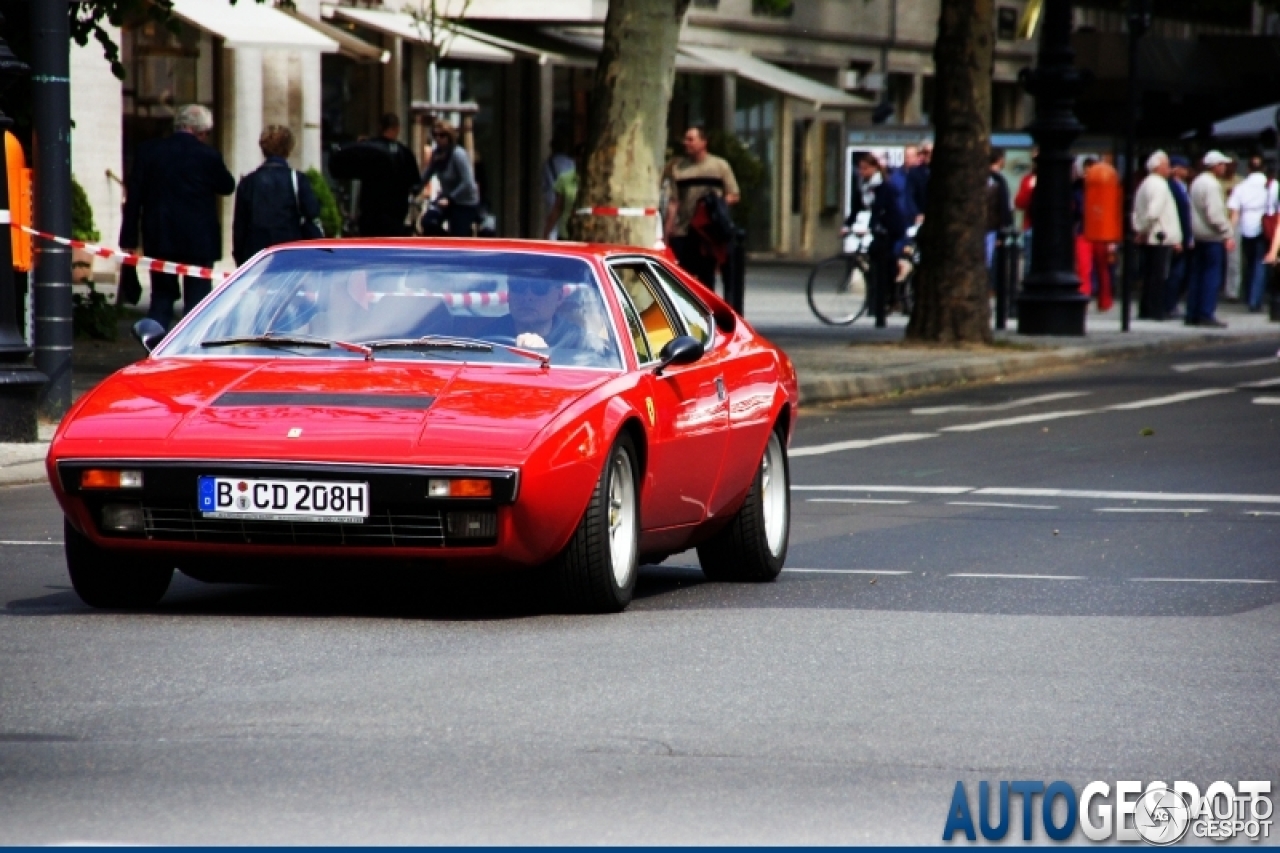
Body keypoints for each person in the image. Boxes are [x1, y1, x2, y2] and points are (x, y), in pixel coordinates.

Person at [119, 104, 235, 329]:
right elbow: (227, 185)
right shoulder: (208, 156)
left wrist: (128, 240)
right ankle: (190, 349)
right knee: (198, 302)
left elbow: (134, 199)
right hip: (199, 241)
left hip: (160, 236)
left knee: (161, 297)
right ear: (201, 131)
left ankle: (154, 342)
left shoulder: (149, 151)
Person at [232, 126, 322, 266]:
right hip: (289, 250)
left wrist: (240, 258)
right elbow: (312, 211)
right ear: (289, 149)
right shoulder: (297, 179)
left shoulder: (248, 182)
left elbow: (240, 226)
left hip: (257, 255)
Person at [664, 125, 740, 289]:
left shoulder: (719, 166)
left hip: (707, 235)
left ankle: (705, 313)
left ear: (703, 142)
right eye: (685, 139)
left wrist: (715, 207)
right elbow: (674, 202)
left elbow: (733, 195)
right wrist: (668, 232)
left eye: (691, 139)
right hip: (684, 233)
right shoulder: (678, 169)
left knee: (706, 282)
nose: (686, 143)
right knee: (682, 282)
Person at [328, 112, 420, 237]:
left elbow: (340, 162)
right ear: (397, 128)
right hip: (396, 215)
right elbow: (415, 184)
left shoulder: (367, 148)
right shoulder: (404, 153)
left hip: (370, 213)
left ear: (380, 127)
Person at [844, 153, 906, 312]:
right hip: (879, 227)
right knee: (874, 258)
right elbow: (857, 207)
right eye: (860, 168)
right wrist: (847, 225)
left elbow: (880, 210)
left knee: (885, 259)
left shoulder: (884, 186)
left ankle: (891, 298)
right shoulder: (863, 186)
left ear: (874, 168)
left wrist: (870, 227)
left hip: (891, 226)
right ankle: (877, 300)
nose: (861, 172)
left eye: (865, 168)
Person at [1131, 150, 1181, 320]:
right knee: (1158, 276)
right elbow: (1153, 212)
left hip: (1151, 235)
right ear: (1157, 167)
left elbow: (1138, 210)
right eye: (1166, 165)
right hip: (1160, 235)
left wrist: (1140, 229)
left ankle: (1146, 308)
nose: (1169, 169)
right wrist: (1144, 229)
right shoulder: (1159, 185)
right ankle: (1155, 310)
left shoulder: (1145, 183)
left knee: (1150, 274)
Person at [1187, 150, 1235, 327]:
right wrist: (1227, 232)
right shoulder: (1212, 185)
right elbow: (1214, 214)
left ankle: (1193, 312)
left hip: (1197, 234)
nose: (1224, 167)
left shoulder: (1196, 182)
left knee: (1196, 275)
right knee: (1211, 276)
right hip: (1211, 236)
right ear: (1215, 166)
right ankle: (1206, 312)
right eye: (1222, 164)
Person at [421, 120, 482, 238]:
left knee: (457, 234)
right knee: (428, 222)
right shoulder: (437, 154)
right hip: (446, 199)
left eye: (442, 135)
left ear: (449, 137)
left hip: (464, 202)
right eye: (435, 135)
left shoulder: (458, 154)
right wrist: (415, 187)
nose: (438, 139)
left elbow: (468, 182)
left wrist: (450, 198)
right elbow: (427, 173)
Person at [1227, 156, 1271, 311]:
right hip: (1264, 227)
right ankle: (1255, 300)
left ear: (1248, 169)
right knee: (1261, 263)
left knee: (1249, 262)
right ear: (1264, 169)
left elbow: (1234, 213)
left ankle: (1249, 296)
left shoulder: (1241, 187)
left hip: (1245, 227)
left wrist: (1229, 235)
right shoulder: (1270, 186)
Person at [1165, 155, 1194, 318]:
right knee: (1176, 273)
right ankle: (1169, 304)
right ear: (1176, 169)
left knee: (1182, 273)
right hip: (1178, 236)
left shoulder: (1182, 186)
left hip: (1185, 236)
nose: (1186, 171)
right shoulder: (1172, 187)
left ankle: (1172, 303)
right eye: (1183, 168)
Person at [985, 147, 1013, 274]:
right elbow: (1003, 206)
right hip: (991, 227)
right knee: (988, 261)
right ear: (1000, 160)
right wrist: (1005, 228)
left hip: (988, 227)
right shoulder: (998, 181)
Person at [544, 146, 581, 240]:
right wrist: (546, 232)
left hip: (583, 232)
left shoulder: (592, 182)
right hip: (565, 233)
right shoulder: (565, 179)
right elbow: (557, 208)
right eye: (578, 157)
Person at [906, 140, 931, 225]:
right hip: (919, 216)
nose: (929, 155)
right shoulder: (914, 173)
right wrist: (916, 213)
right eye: (926, 153)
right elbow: (909, 196)